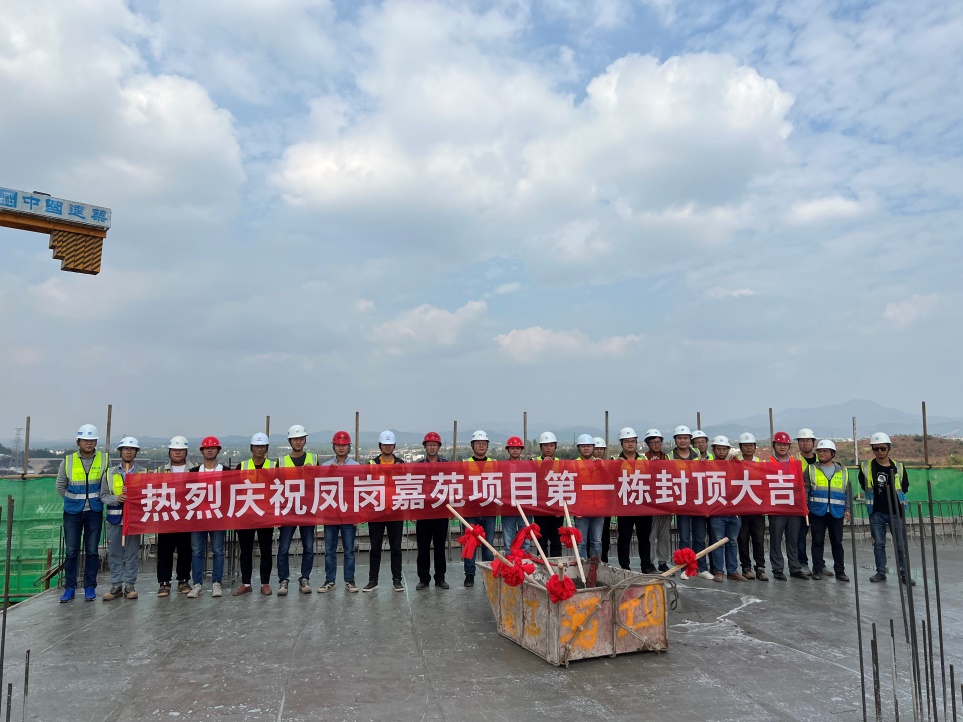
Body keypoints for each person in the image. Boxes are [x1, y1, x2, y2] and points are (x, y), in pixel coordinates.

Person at [56, 424, 106, 603]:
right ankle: (69, 588)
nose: (89, 443)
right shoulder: (68, 461)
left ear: (96, 442)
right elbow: (60, 486)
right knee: (71, 551)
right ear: (78, 442)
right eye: (85, 440)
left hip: (94, 511)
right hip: (73, 512)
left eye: (92, 440)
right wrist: (73, 501)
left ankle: (89, 587)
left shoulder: (104, 460)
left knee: (92, 551)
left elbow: (107, 485)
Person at [859, 432, 913, 585]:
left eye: (883, 448)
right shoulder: (866, 467)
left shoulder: (899, 467)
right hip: (876, 511)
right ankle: (881, 572)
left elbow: (904, 486)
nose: (879, 451)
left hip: (896, 511)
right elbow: (864, 484)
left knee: (901, 544)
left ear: (889, 448)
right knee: (879, 544)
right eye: (876, 448)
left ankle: (904, 574)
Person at [233, 432, 277, 596]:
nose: (259, 449)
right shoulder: (242, 466)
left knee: (266, 550)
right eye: (257, 446)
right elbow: (234, 491)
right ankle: (246, 583)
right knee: (245, 551)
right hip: (246, 514)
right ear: (251, 448)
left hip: (266, 515)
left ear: (266, 448)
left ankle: (265, 583)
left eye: (262, 446)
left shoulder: (273, 466)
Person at [101, 437, 144, 601]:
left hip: (133, 520)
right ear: (120, 451)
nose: (128, 452)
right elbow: (103, 495)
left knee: (132, 553)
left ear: (136, 452)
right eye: (125, 449)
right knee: (115, 553)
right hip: (115, 520)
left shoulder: (143, 473)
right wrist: (116, 499)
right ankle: (116, 585)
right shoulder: (110, 473)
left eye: (132, 449)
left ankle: (130, 585)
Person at [276, 424, 317, 596]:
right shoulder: (281, 462)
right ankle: (283, 580)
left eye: (301, 439)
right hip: (288, 510)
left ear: (305, 440)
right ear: (290, 441)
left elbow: (320, 483)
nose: (298, 442)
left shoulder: (313, 459)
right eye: (295, 439)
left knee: (308, 547)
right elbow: (276, 485)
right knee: (283, 548)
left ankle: (305, 578)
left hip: (307, 510)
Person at [319, 431, 360, 593]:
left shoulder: (356, 467)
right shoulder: (325, 467)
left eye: (344, 445)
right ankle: (330, 580)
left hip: (348, 514)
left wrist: (358, 514)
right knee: (330, 550)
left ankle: (350, 580)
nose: (341, 448)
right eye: (338, 445)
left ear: (349, 447)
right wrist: (329, 473)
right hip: (331, 514)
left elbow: (358, 491)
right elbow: (319, 487)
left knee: (349, 550)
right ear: (333, 447)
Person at [805, 440, 851, 582]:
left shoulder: (843, 471)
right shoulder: (811, 469)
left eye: (825, 451)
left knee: (837, 542)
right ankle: (817, 570)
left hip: (836, 512)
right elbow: (806, 490)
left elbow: (847, 491)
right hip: (817, 511)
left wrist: (848, 509)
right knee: (817, 542)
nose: (821, 453)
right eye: (819, 451)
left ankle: (840, 571)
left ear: (832, 453)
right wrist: (805, 507)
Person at [188, 436, 227, 598]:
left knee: (218, 551)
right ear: (202, 451)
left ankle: (217, 583)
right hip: (198, 518)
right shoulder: (193, 473)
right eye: (206, 448)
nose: (210, 450)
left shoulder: (226, 472)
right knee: (197, 551)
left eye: (213, 448)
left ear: (218, 450)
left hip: (218, 518)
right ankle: (197, 584)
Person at [366, 431, 406, 592]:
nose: (387, 447)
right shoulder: (371, 464)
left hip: (395, 511)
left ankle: (397, 580)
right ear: (380, 446)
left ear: (394, 446)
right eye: (385, 444)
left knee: (396, 548)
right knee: (375, 548)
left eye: (390, 444)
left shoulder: (401, 464)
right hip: (376, 512)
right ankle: (373, 580)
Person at [671, 425, 712, 580]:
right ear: (675, 440)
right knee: (684, 537)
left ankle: (701, 567)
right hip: (681, 502)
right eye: (680, 438)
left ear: (690, 440)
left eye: (685, 438)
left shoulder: (698, 455)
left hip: (698, 501)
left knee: (700, 537)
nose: (683, 441)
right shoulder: (669, 457)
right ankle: (684, 567)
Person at [615, 427, 657, 574]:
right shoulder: (615, 461)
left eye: (632, 441)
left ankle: (647, 566)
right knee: (624, 537)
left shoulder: (644, 460)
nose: (630, 444)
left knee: (644, 538)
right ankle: (625, 567)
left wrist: (655, 464)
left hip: (642, 504)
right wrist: (616, 466)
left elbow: (653, 478)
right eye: (627, 441)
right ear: (622, 443)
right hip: (625, 505)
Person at [156, 436, 193, 596]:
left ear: (186, 452)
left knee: (185, 551)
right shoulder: (160, 471)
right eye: (174, 450)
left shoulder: (194, 470)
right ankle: (164, 582)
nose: (177, 453)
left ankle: (183, 580)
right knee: (165, 552)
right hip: (166, 517)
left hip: (186, 517)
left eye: (181, 450)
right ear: (169, 452)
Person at [707, 436, 745, 582]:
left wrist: (738, 465)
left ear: (728, 450)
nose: (722, 452)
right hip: (717, 510)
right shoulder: (709, 466)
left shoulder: (734, 466)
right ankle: (718, 570)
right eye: (719, 449)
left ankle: (732, 570)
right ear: (714, 450)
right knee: (718, 542)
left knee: (732, 541)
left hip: (734, 511)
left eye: (724, 449)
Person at [768, 431, 804, 581]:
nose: (782, 447)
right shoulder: (767, 463)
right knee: (776, 539)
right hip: (776, 507)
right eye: (779, 444)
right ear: (774, 446)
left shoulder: (796, 463)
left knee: (793, 539)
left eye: (785, 444)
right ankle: (777, 569)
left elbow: (801, 484)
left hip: (793, 506)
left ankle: (795, 568)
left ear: (789, 446)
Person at [416, 432, 450, 590]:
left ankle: (440, 578)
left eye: (434, 445)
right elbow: (413, 489)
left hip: (441, 511)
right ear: (425, 447)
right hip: (423, 512)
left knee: (440, 547)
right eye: (429, 444)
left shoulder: (446, 465)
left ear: (439, 447)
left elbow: (452, 487)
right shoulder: (418, 466)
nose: (432, 447)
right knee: (423, 547)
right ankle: (423, 579)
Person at [464, 430, 497, 587]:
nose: (481, 446)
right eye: (478, 443)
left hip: (489, 510)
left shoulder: (494, 463)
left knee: (488, 545)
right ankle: (469, 574)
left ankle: (487, 576)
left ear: (488, 446)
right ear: (472, 446)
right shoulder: (465, 464)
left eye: (484, 443)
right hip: (471, 510)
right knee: (470, 544)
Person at [735, 433, 768, 581]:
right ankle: (746, 567)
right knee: (742, 539)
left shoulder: (762, 464)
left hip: (757, 508)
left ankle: (760, 568)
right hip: (741, 508)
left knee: (758, 539)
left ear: (755, 447)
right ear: (740, 447)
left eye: (751, 445)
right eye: (745, 445)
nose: (749, 448)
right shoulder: (735, 463)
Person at [643, 429, 672, 572]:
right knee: (651, 535)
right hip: (651, 502)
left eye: (658, 442)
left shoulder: (667, 458)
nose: (656, 444)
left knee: (664, 535)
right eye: (653, 442)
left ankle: (663, 561)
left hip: (665, 500)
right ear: (648, 444)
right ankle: (650, 561)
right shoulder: (643, 459)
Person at [573, 434, 603, 559]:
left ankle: (595, 567)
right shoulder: (574, 464)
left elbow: (609, 481)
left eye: (589, 446)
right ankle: (581, 567)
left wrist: (601, 467)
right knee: (581, 542)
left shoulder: (600, 463)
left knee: (597, 542)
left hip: (598, 508)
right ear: (579, 448)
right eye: (583, 446)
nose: (586, 448)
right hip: (581, 510)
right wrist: (575, 509)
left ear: (593, 447)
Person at [533, 431, 564, 557]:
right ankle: (543, 565)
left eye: (551, 445)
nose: (549, 448)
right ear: (541, 447)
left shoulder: (561, 463)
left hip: (556, 508)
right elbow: (533, 480)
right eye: (546, 445)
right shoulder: (533, 462)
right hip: (540, 508)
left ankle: (556, 566)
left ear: (555, 447)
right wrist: (543, 466)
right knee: (541, 541)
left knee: (556, 541)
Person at [795, 428, 818, 578]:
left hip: (819, 504)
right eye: (802, 441)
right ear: (798, 443)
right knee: (800, 536)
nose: (805, 443)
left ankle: (819, 565)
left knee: (818, 536)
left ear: (813, 442)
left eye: (808, 440)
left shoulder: (822, 458)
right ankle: (802, 563)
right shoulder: (794, 460)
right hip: (801, 504)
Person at [500, 436, 528, 552]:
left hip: (525, 507)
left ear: (521, 450)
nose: (515, 450)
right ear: (508, 450)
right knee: (508, 542)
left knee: (525, 540)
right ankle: (509, 562)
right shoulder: (502, 467)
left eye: (517, 448)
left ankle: (525, 561)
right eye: (512, 448)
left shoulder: (528, 466)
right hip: (508, 508)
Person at [594, 436, 613, 562]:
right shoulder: (584, 463)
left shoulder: (610, 464)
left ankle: (604, 559)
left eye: (602, 449)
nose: (599, 451)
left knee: (604, 534)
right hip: (590, 505)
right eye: (597, 448)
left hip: (605, 505)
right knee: (592, 536)